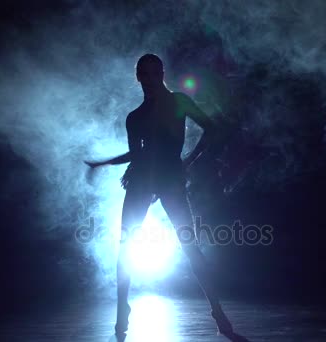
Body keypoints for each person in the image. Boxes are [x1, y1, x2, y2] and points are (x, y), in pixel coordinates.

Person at [85, 53, 233, 337]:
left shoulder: (179, 101)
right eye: (144, 73)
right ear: (138, 77)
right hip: (141, 179)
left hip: (170, 179)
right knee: (126, 245)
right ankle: (121, 310)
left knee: (190, 245)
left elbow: (212, 128)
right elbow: (136, 154)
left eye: (154, 73)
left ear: (162, 74)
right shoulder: (136, 117)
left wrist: (187, 161)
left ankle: (216, 309)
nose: (150, 79)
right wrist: (104, 163)